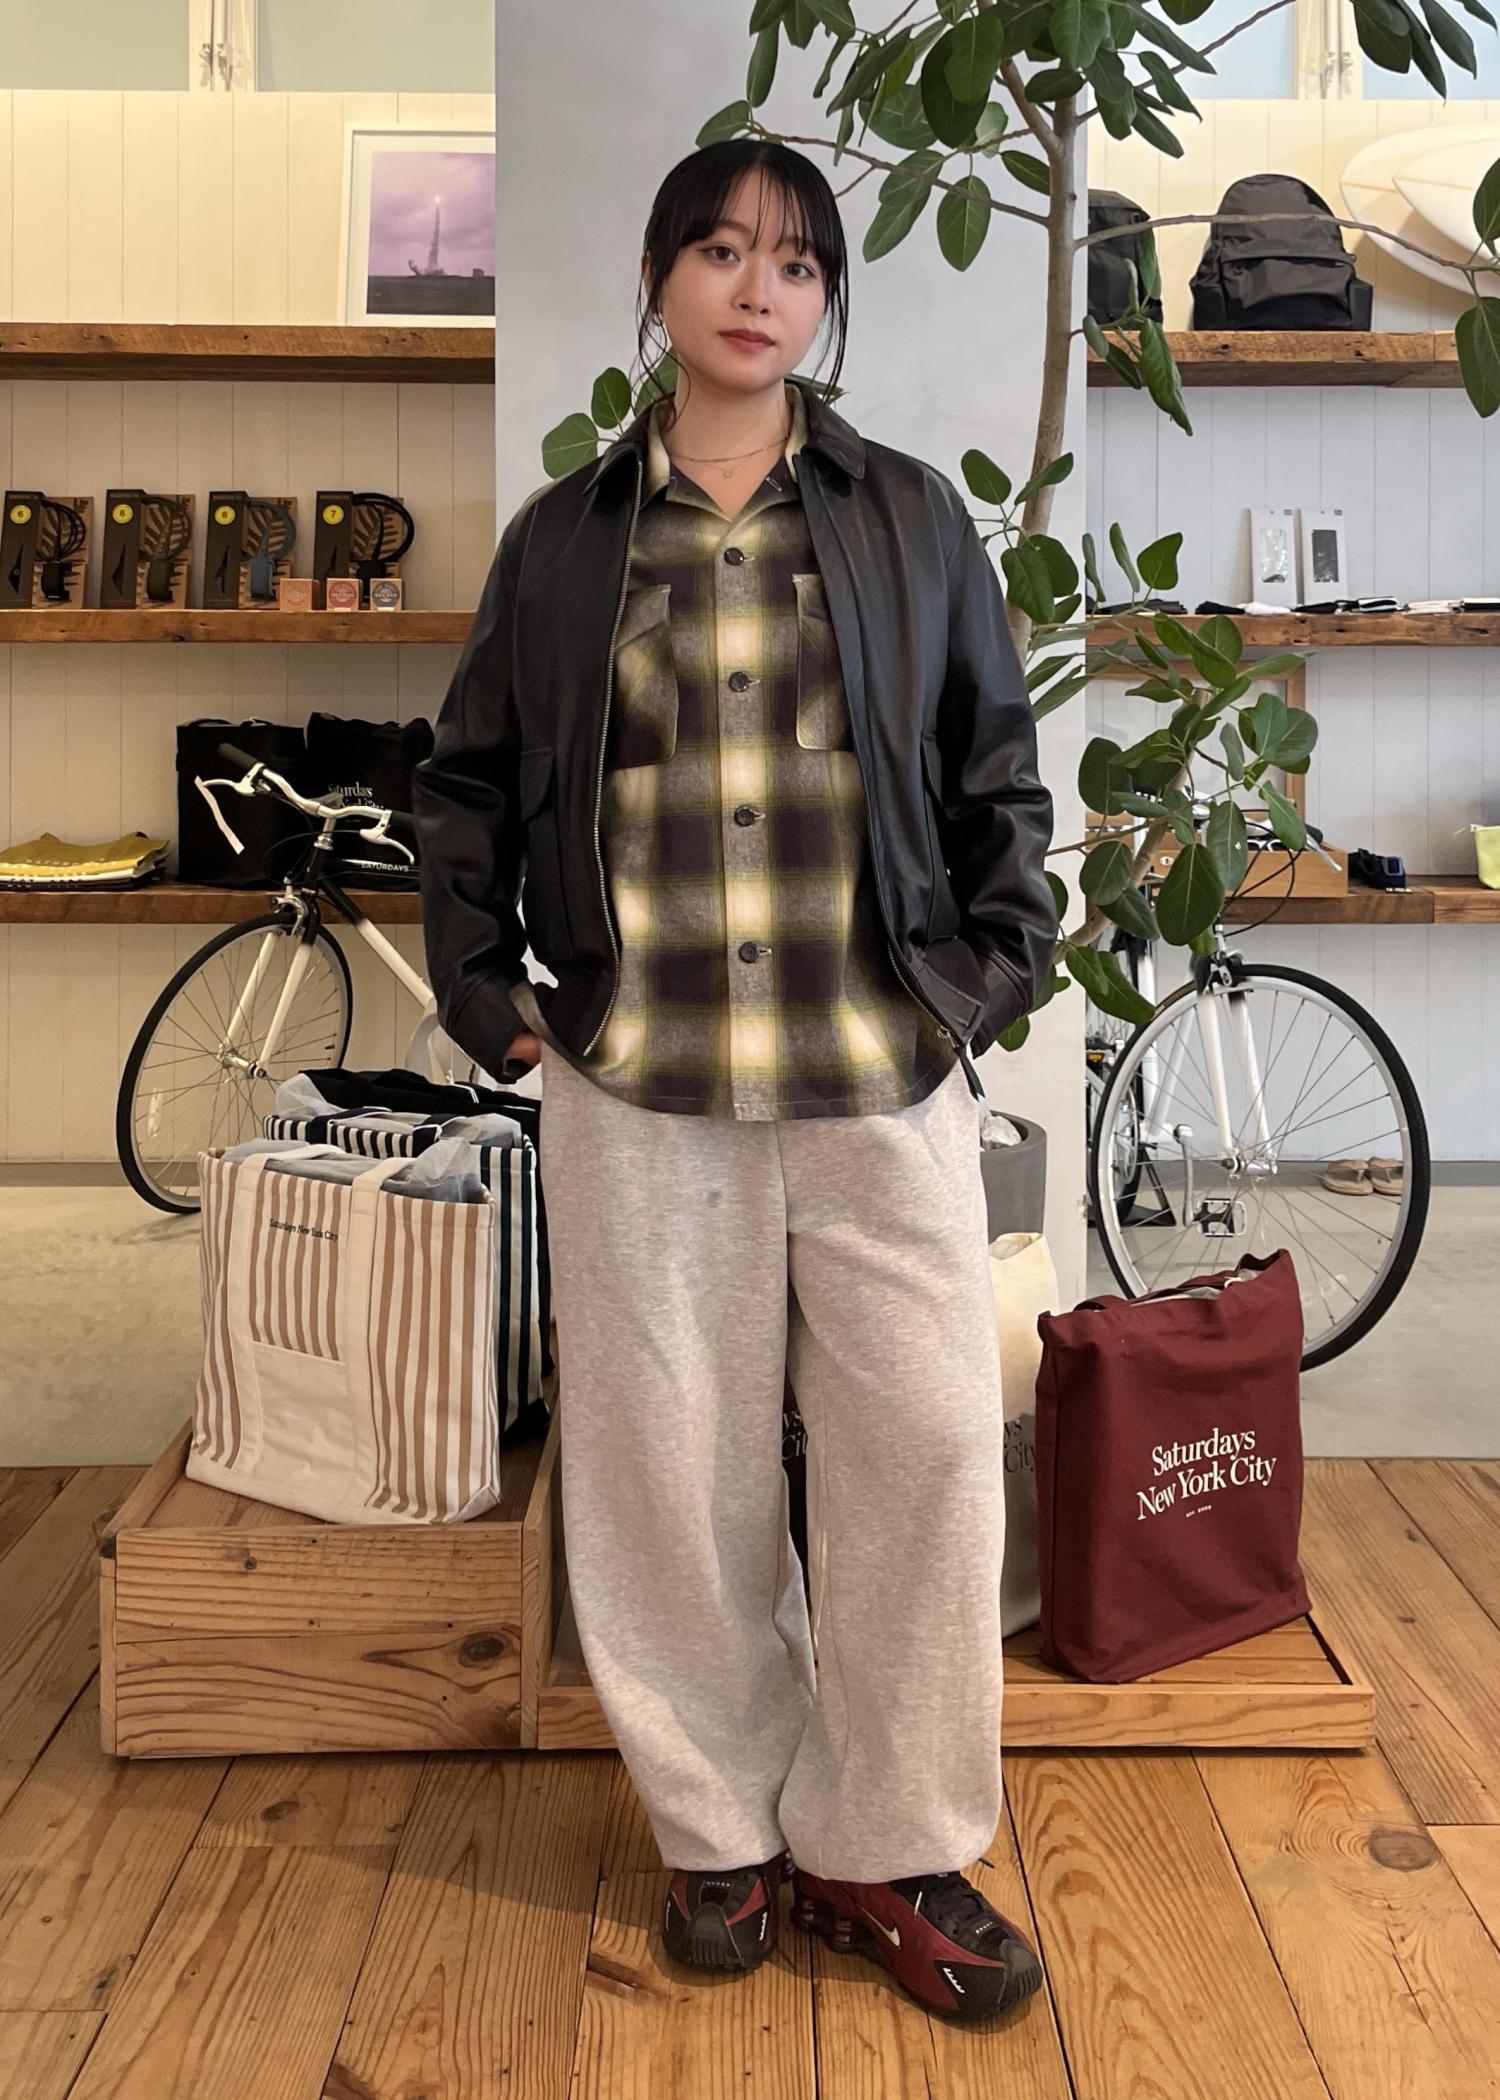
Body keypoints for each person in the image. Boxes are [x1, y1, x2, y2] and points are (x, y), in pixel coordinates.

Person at [411, 138, 1057, 2026]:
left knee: (927, 1458)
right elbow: (466, 783)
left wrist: (984, 981)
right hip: (643, 1080)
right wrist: (488, 995)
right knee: (667, 1475)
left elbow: (996, 776)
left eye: (794, 261)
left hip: (877, 1074)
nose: (757, 287)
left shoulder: (909, 516)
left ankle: (886, 1842)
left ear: (825, 301)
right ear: (657, 278)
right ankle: (719, 1830)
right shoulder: (565, 540)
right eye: (719, 249)